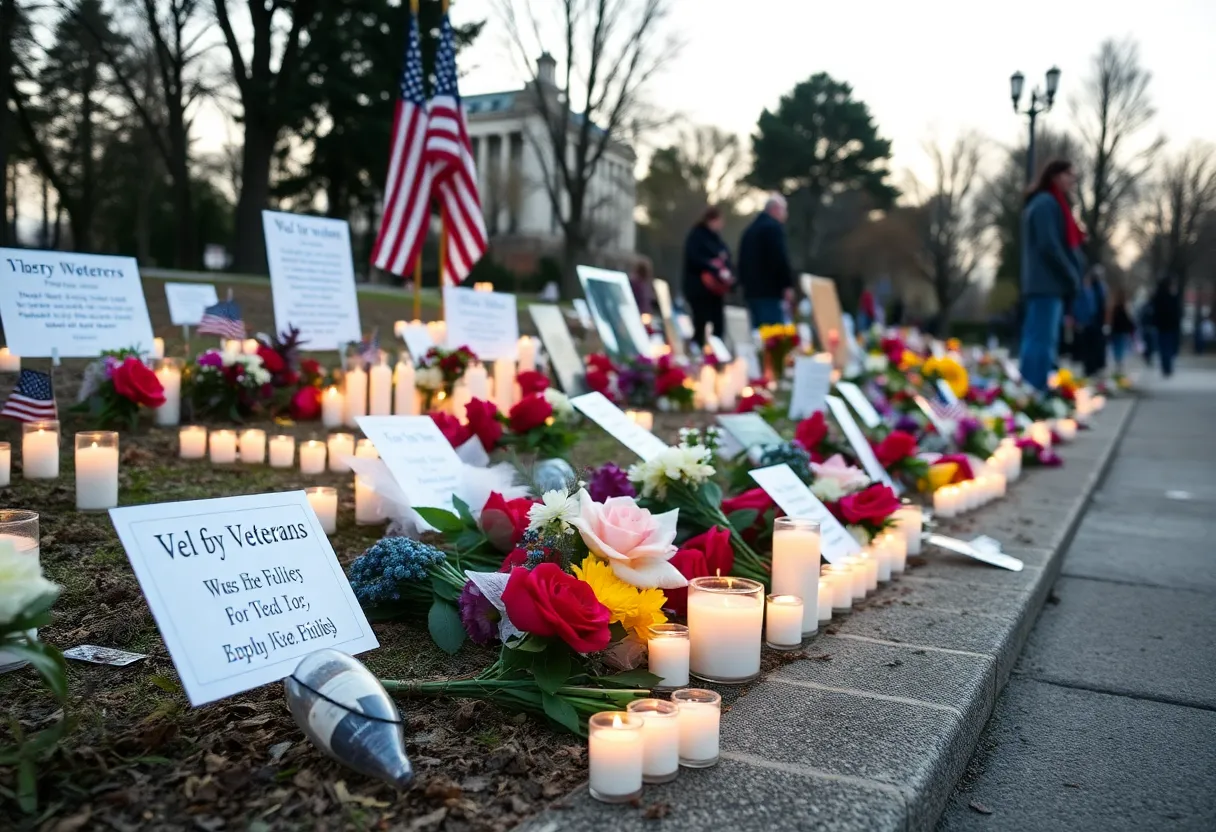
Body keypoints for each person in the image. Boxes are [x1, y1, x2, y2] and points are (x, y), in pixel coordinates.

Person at [1018, 160, 1085, 391]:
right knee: (1042, 341)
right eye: (1069, 175)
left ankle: (1031, 389)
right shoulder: (1047, 203)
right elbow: (1049, 245)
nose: (1072, 181)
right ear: (1055, 175)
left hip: (1045, 285)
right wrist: (1071, 275)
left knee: (1038, 339)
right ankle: (1034, 390)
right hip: (1046, 284)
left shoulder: (1046, 203)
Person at [737, 193, 794, 328]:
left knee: (758, 336)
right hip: (770, 292)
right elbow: (779, 258)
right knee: (774, 339)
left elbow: (741, 262)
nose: (785, 215)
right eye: (784, 210)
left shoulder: (749, 230)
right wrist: (787, 285)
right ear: (775, 209)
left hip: (751, 293)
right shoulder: (773, 228)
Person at [681, 206, 735, 348]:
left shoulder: (717, 240)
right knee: (700, 322)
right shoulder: (697, 236)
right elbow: (694, 258)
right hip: (699, 288)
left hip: (715, 290)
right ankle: (698, 348)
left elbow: (726, 257)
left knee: (718, 323)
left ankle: (716, 352)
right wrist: (711, 266)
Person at [1152, 275, 1183, 377]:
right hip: (1169, 326)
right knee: (1168, 347)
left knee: (1164, 347)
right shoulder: (1171, 296)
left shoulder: (1159, 296)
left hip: (1163, 326)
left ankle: (1166, 367)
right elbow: (1177, 311)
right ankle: (1167, 367)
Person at [1108, 286, 1135, 373]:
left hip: (1117, 329)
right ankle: (1119, 360)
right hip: (1121, 329)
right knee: (1120, 345)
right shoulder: (1124, 307)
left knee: (1118, 346)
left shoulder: (1116, 307)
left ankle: (1118, 360)